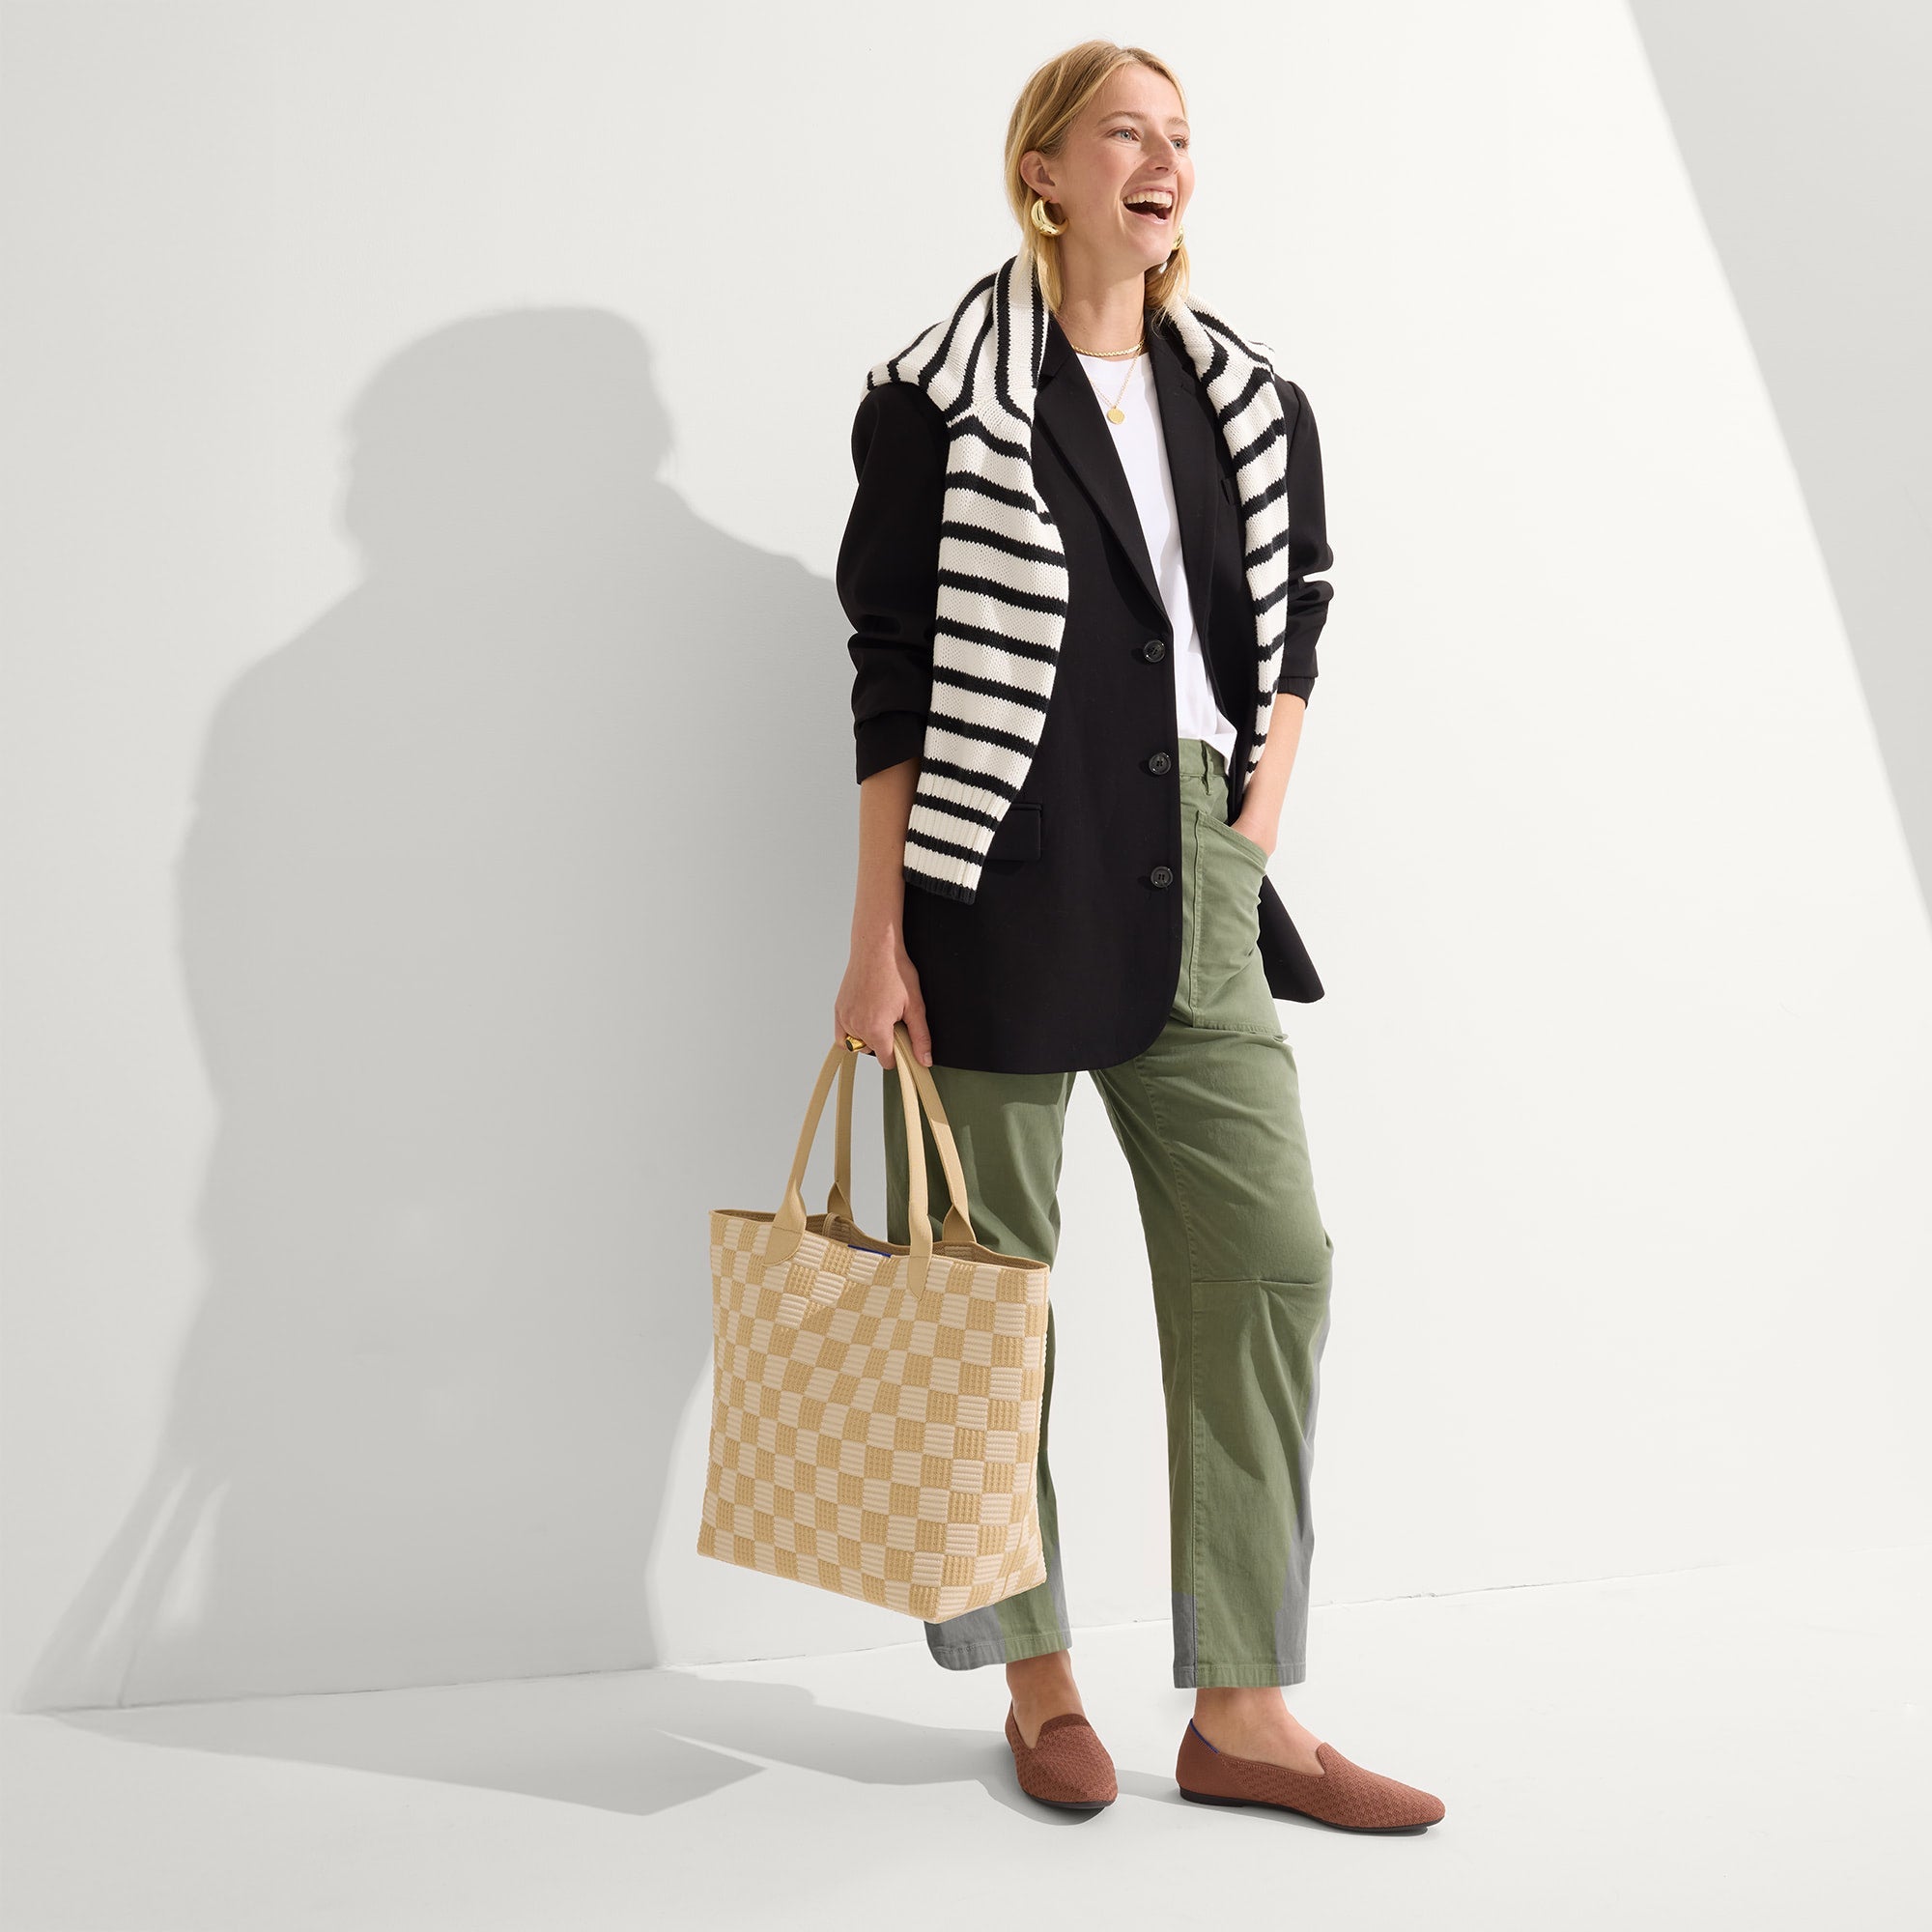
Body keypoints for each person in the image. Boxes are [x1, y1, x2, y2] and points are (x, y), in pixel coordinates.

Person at [832, 41, 1445, 1833]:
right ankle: (1036, 1678)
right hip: (995, 861)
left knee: (1273, 1253)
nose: (1163, 160)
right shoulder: (937, 398)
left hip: (1194, 856)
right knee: (986, 1295)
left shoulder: (1252, 400)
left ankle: (1244, 1710)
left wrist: (1255, 820)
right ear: (1045, 170)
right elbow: (889, 673)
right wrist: (876, 938)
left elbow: (1298, 616)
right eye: (1126, 131)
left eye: (1180, 137)